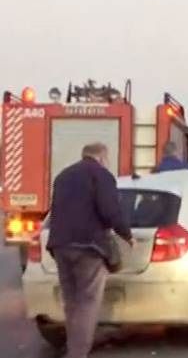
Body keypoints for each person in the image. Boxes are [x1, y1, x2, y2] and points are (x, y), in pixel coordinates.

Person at [46, 143, 134, 358]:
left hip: (60, 246)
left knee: (72, 302)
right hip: (89, 247)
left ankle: (74, 348)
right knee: (87, 303)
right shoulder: (101, 175)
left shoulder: (63, 176)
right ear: (102, 157)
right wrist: (127, 235)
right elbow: (110, 210)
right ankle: (77, 354)